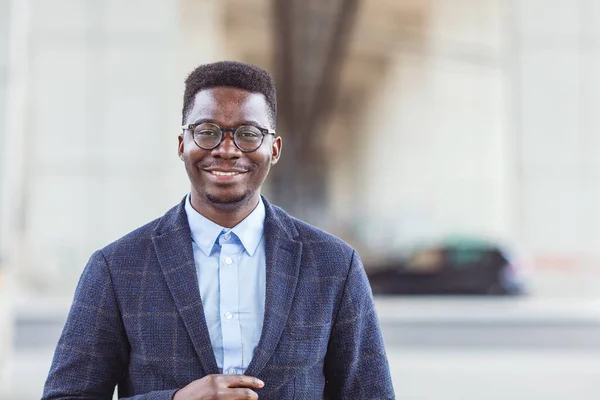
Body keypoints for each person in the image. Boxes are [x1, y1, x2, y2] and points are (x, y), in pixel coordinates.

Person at [42, 61, 394, 399]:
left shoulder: (334, 265)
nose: (227, 150)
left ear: (274, 149)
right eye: (207, 132)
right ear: (182, 144)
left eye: (248, 134)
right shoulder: (116, 268)